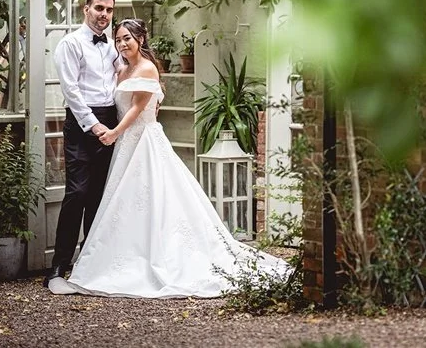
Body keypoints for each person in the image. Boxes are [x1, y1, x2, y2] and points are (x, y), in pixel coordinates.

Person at [48, 19, 290, 297]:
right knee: (122, 201)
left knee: (154, 198)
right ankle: (117, 255)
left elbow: (137, 108)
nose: (122, 44)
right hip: (125, 145)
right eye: (119, 39)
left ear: (140, 39)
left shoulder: (147, 68)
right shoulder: (121, 68)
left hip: (143, 141)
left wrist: (114, 132)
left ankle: (160, 256)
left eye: (127, 38)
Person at [43, 0, 119, 287]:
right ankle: (58, 266)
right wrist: (93, 125)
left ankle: (88, 266)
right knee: (77, 193)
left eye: (109, 10)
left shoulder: (113, 47)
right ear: (85, 9)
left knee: (99, 195)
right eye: (99, 8)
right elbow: (70, 90)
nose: (104, 15)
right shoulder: (70, 43)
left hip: (111, 120)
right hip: (81, 123)